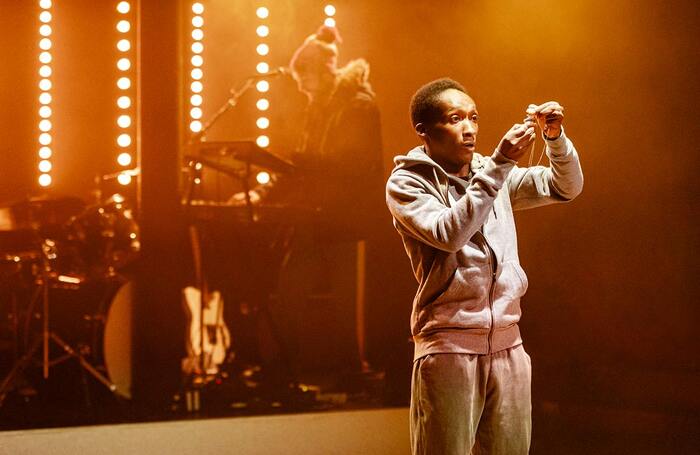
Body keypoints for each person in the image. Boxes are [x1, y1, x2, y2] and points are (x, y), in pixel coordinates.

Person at [385, 78, 584, 454]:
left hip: (509, 346)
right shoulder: (406, 183)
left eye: (473, 117)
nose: (470, 128)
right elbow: (449, 232)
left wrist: (555, 140)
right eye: (455, 118)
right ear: (423, 131)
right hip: (448, 350)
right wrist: (500, 165)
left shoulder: (488, 172)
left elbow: (565, 186)